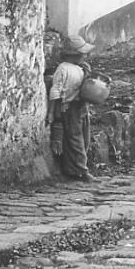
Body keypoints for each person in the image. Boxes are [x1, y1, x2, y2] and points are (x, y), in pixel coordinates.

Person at [47, 34, 97, 182]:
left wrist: (87, 73)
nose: (85, 56)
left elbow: (84, 87)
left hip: (81, 106)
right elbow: (55, 91)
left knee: (83, 138)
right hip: (69, 108)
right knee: (75, 140)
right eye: (82, 54)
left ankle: (74, 168)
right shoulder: (63, 69)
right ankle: (82, 171)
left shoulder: (78, 68)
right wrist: (51, 112)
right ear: (74, 55)